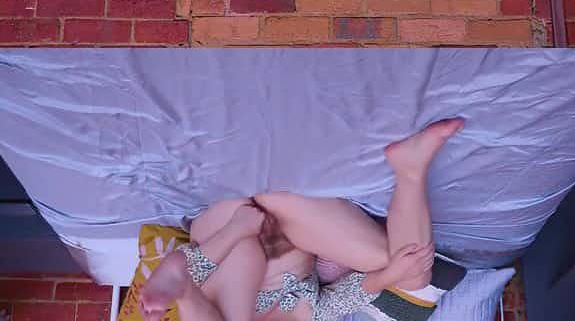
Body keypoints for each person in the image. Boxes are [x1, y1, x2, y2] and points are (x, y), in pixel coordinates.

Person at [138, 118, 464, 321]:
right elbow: (340, 301)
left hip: (229, 223)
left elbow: (203, 269)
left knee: (224, 273)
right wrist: (389, 275)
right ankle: (409, 166)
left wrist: (237, 229)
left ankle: (183, 287)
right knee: (410, 272)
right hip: (285, 215)